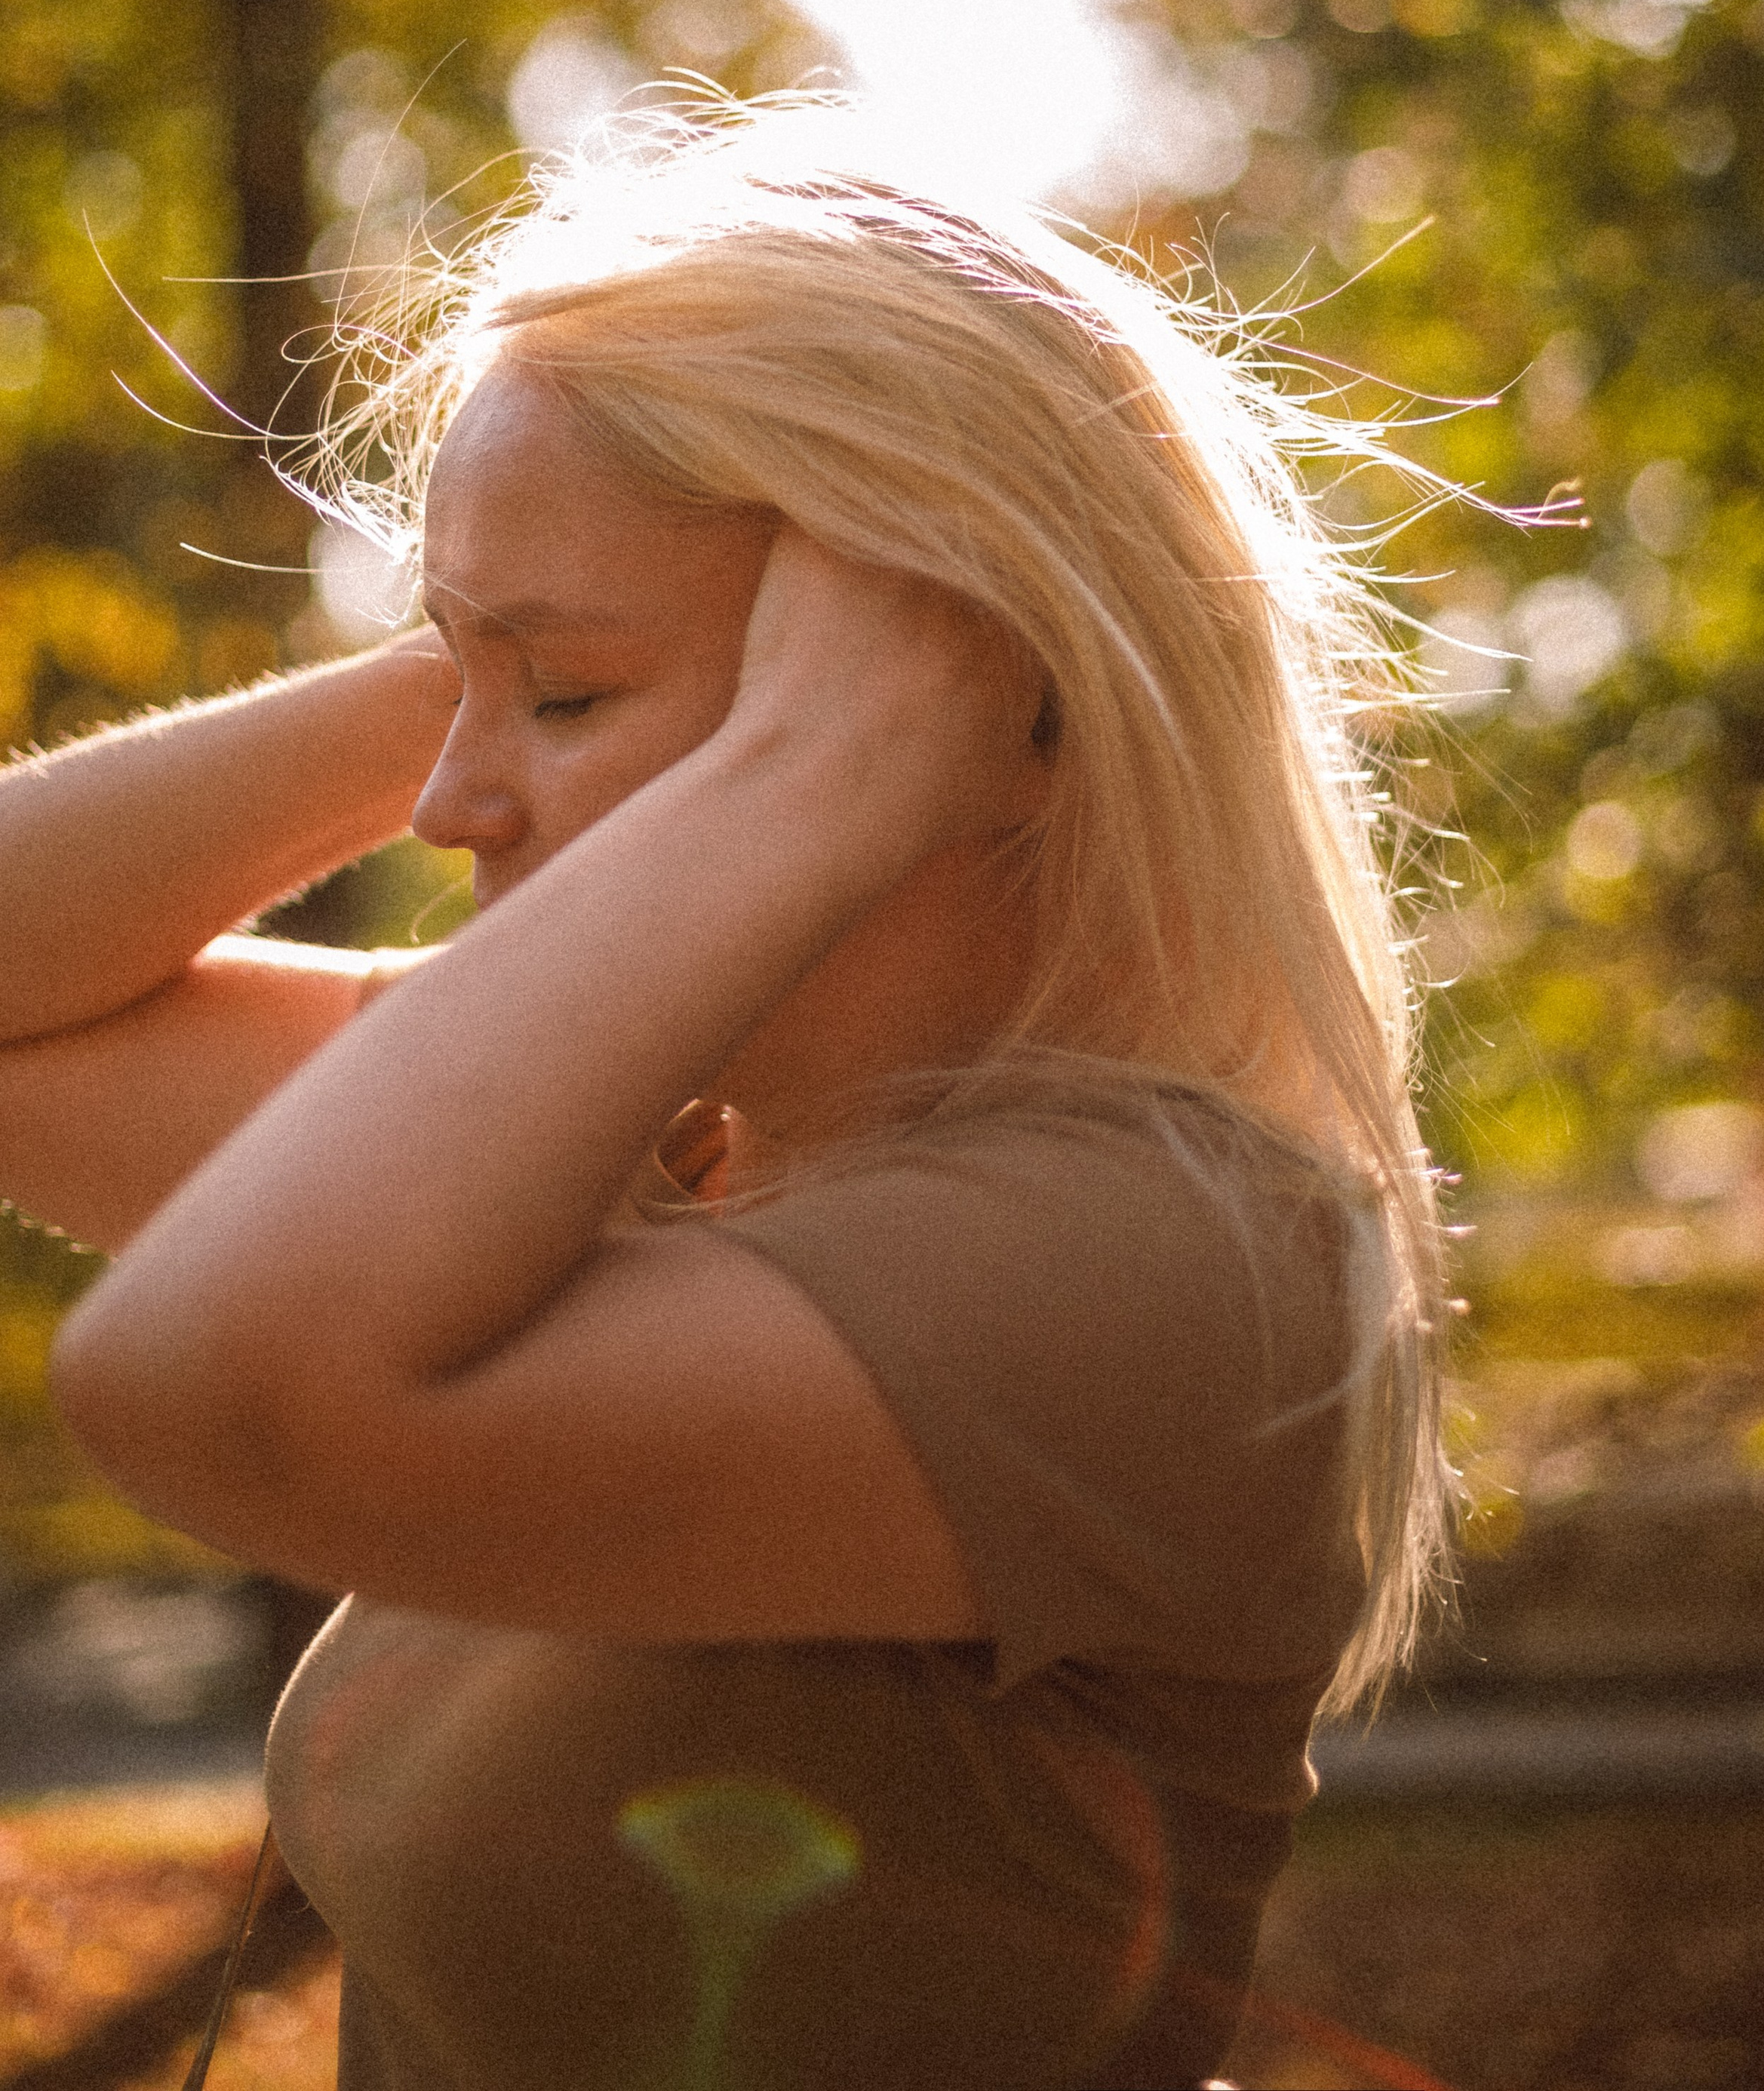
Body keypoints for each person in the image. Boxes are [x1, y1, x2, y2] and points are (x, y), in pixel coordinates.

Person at [0, 102, 1450, 2091]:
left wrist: (818, 760)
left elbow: (222, 1395)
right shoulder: (685, 1139)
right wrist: (506, 643)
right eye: (462, 687)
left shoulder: (1174, 1254)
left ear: (972, 696)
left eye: (570, 701)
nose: (446, 806)